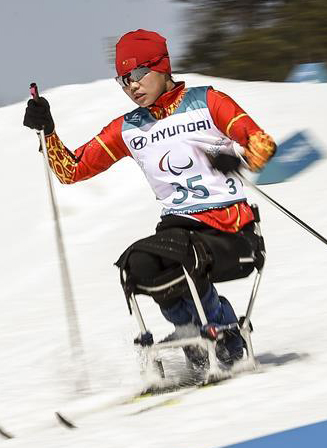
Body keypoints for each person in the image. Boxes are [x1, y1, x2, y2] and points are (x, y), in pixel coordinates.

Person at [22, 29, 275, 368]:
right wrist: (48, 132)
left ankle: (223, 328)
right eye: (124, 80)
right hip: (179, 227)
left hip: (231, 228)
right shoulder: (129, 128)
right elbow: (71, 170)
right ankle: (191, 337)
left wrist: (240, 161)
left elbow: (263, 144)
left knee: (184, 255)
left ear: (163, 66)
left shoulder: (209, 101)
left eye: (139, 74)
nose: (133, 86)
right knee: (138, 265)